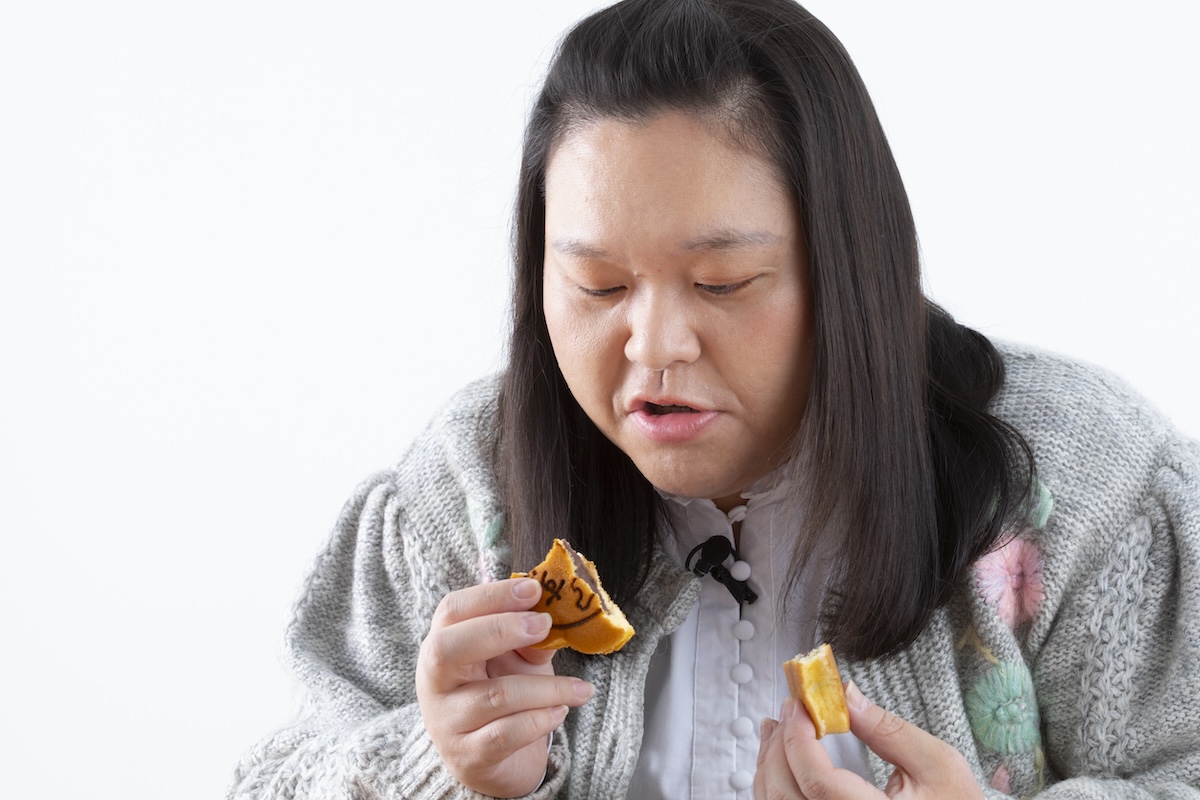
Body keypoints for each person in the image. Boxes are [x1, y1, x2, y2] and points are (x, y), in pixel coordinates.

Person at [227, 0, 1200, 797]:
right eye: (598, 285)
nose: (654, 345)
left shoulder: (1081, 488)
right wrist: (435, 765)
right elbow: (272, 776)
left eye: (722, 282)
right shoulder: (467, 493)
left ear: (850, 271)